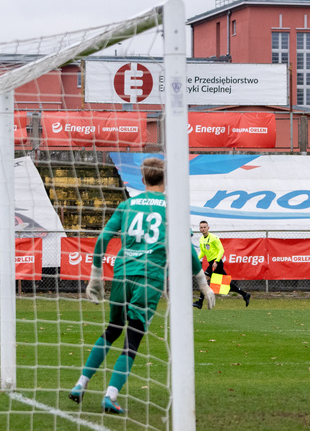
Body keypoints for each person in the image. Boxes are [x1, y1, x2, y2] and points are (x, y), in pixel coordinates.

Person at [69, 157, 216, 413]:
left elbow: (103, 237)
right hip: (149, 277)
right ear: (165, 178)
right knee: (133, 337)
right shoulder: (172, 207)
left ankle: (80, 384)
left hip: (122, 274)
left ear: (143, 178)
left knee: (112, 330)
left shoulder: (128, 204)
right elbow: (187, 249)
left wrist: (95, 274)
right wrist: (202, 282)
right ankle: (110, 395)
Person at [193, 220, 251, 308]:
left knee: (204, 281)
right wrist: (196, 260)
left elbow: (221, 250)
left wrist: (216, 262)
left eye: (205, 227)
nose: (203, 229)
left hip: (217, 263)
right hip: (211, 263)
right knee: (226, 283)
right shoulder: (201, 239)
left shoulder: (213, 238)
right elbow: (203, 252)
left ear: (208, 228)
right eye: (201, 227)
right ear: (199, 229)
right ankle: (244, 294)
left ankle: (200, 303)